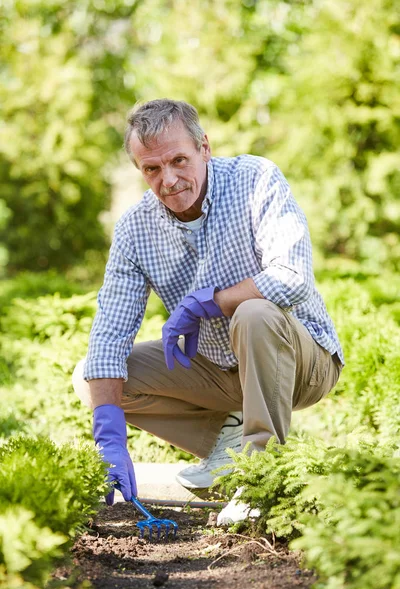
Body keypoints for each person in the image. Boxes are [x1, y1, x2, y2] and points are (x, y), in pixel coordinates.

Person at [72, 98, 343, 525]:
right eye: (152, 169)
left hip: (301, 363)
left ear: (205, 147)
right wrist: (109, 438)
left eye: (179, 160)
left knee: (254, 313)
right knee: (95, 375)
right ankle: (231, 440)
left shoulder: (255, 179)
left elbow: (292, 277)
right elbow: (109, 334)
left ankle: (259, 476)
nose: (169, 179)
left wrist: (211, 302)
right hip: (218, 370)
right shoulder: (134, 228)